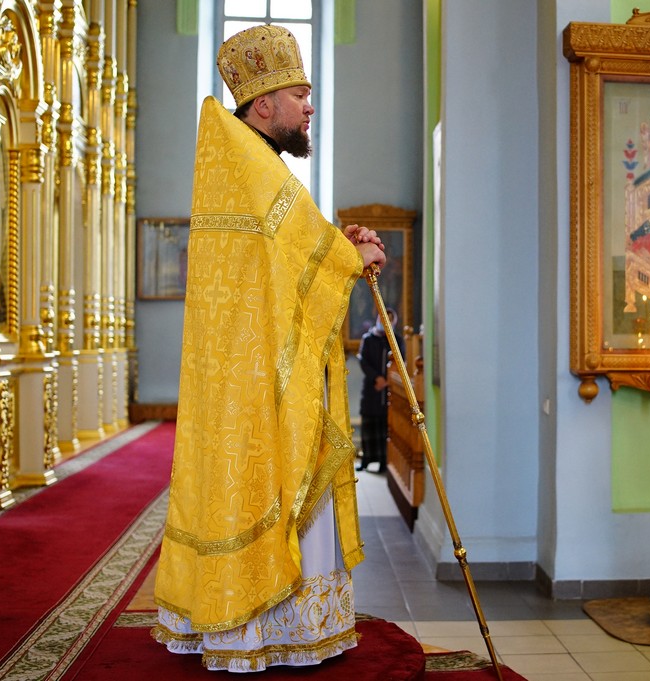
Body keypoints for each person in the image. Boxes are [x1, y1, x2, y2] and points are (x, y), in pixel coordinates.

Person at [151, 25, 386, 671]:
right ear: (263, 104)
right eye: (300, 95)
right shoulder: (252, 163)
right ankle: (272, 631)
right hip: (258, 372)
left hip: (251, 364)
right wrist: (353, 257)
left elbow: (285, 256)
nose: (310, 107)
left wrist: (339, 245)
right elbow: (297, 252)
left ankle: (250, 626)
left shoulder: (244, 160)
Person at [357, 308, 405, 473]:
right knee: (369, 426)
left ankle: (384, 462)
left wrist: (386, 381)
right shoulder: (368, 338)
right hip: (371, 388)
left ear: (393, 322)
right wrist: (376, 377)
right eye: (383, 318)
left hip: (388, 389)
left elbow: (401, 361)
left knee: (384, 428)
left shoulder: (397, 340)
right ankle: (366, 460)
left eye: (389, 319)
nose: (385, 322)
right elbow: (363, 360)